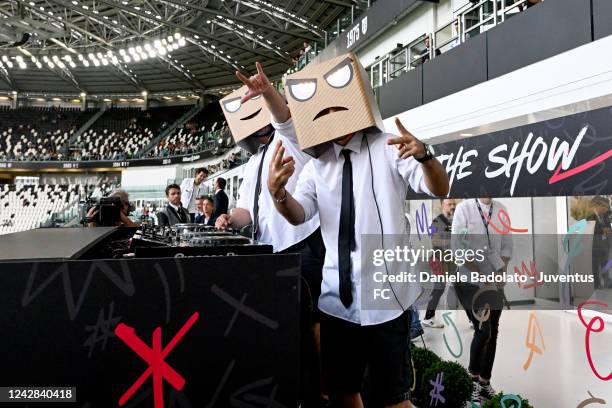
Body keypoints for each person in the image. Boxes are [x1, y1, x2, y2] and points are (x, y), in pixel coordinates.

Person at [268, 54, 449, 407]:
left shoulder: (388, 147)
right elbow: (298, 213)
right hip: (336, 301)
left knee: (394, 398)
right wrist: (278, 194)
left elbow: (439, 189)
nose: (330, 113)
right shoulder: (317, 166)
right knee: (342, 392)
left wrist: (426, 157)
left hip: (387, 300)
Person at [216, 61, 326, 407]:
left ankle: (324, 386)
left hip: (304, 246)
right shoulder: (251, 164)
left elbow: (287, 121)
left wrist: (268, 94)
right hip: (271, 253)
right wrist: (228, 219)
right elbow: (248, 211)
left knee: (314, 322)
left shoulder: (289, 140)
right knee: (291, 326)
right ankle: (300, 385)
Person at [451, 197, 513, 405]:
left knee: (493, 330)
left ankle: (485, 382)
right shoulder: (463, 209)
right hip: (469, 281)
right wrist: (481, 275)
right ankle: (472, 382)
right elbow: (458, 247)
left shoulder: (501, 209)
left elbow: (506, 245)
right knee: (482, 330)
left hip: (494, 280)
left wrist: (500, 272)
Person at [422, 198, 457, 328]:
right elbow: (435, 241)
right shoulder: (437, 221)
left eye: (454, 204)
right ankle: (428, 318)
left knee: (461, 287)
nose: (452, 206)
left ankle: (472, 319)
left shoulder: (453, 221)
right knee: (439, 288)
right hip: (439, 259)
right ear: (442, 205)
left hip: (451, 259)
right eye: (449, 204)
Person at [588, 196, 611, 289]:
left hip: (605, 242)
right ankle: (597, 284)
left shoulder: (605, 215)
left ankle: (607, 282)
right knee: (595, 264)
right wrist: (602, 230)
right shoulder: (590, 215)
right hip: (594, 243)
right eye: (605, 206)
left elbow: (608, 227)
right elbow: (590, 228)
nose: (607, 208)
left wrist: (609, 230)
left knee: (605, 262)